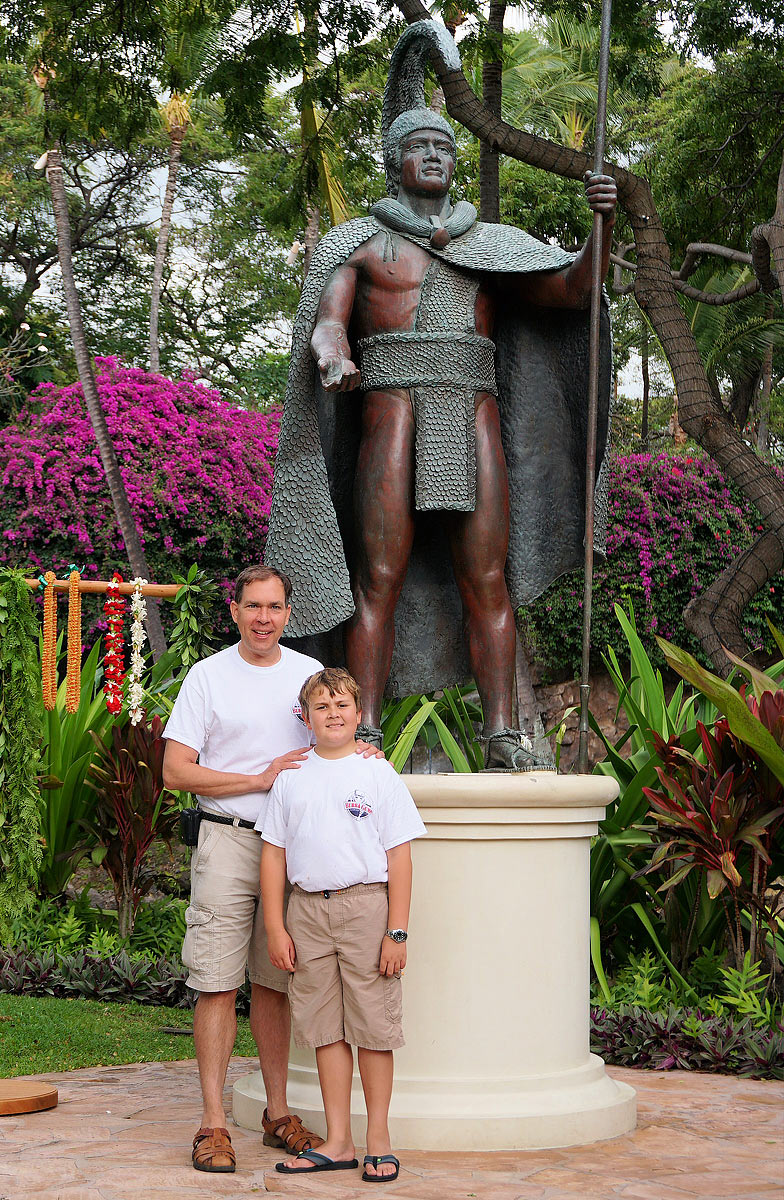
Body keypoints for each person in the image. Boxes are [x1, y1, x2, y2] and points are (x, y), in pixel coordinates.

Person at [265, 20, 618, 770]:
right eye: (420, 147)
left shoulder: (487, 246)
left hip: (473, 416)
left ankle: (501, 732)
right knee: (378, 580)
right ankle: (362, 732)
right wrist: (333, 359)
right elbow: (328, 327)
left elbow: (577, 288)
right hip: (391, 416)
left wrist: (601, 226)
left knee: (485, 578)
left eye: (444, 148)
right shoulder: (361, 244)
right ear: (394, 164)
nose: (435, 156)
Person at [161, 564, 326, 1174]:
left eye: (275, 608)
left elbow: (333, 739)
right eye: (253, 607)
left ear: (288, 613)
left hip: (292, 848)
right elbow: (176, 771)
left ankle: (277, 1113)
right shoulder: (208, 677)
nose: (264, 619)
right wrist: (257, 779)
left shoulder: (309, 675)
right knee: (217, 980)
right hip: (228, 839)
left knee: (275, 982)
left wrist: (361, 750)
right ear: (234, 611)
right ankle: (211, 1124)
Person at [258, 667, 426, 1182]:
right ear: (305, 718)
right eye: (322, 706)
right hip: (306, 911)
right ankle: (338, 1140)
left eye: (343, 705)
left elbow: (400, 857)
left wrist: (396, 931)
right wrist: (275, 927)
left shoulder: (377, 774)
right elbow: (273, 855)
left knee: (372, 1027)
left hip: (365, 909)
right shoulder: (291, 777)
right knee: (326, 1028)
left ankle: (378, 1137)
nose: (333, 714)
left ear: (359, 714)